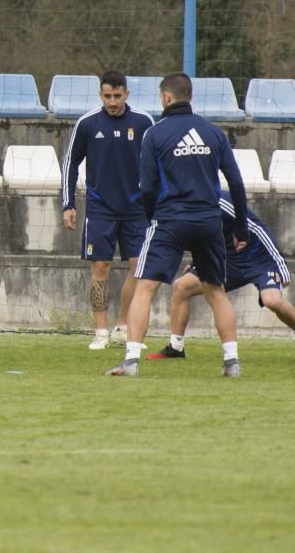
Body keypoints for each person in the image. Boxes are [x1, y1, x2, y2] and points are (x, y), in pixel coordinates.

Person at [107, 72, 249, 378]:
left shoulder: (155, 134)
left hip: (170, 220)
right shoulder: (213, 133)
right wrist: (240, 228)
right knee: (216, 291)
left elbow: (146, 186)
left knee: (145, 287)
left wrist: (150, 217)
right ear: (190, 96)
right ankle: (231, 361)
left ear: (167, 97)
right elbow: (236, 182)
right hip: (209, 221)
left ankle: (131, 361)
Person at [146, 190, 295, 363]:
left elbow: (257, 229)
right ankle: (176, 348)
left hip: (259, 259)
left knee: (272, 301)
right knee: (181, 286)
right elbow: (200, 238)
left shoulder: (221, 201)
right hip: (225, 260)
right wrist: (196, 263)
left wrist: (281, 267)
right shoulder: (182, 207)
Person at [61, 70, 155, 350]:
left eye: (117, 96)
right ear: (100, 95)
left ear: (126, 93)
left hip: (136, 209)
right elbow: (70, 164)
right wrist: (68, 204)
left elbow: (157, 163)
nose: (112, 101)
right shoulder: (87, 123)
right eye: (107, 96)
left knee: (138, 267)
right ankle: (100, 331)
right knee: (100, 267)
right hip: (100, 209)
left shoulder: (143, 122)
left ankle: (122, 326)